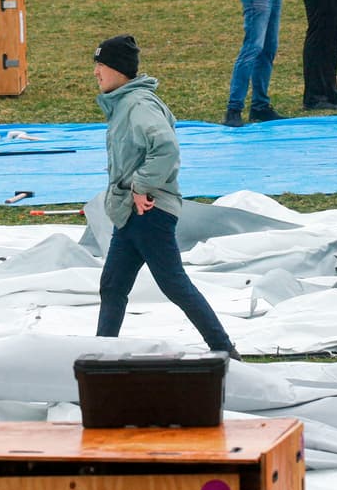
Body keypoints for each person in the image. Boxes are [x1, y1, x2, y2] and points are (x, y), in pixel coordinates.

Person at [92, 34, 239, 356]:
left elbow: (166, 148)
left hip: (149, 211)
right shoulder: (124, 104)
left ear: (118, 69)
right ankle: (102, 356)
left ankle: (225, 350)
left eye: (101, 65)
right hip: (130, 211)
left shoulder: (137, 105)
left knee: (174, 284)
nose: (96, 72)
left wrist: (141, 186)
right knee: (113, 286)